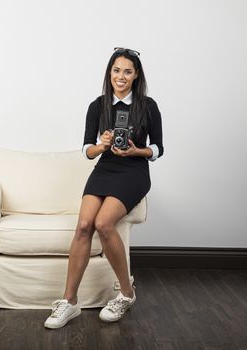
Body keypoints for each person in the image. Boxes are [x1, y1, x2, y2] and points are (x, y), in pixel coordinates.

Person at [44, 47, 164, 329]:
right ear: (109, 73)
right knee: (84, 224)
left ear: (136, 76)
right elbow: (87, 149)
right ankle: (70, 302)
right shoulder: (97, 106)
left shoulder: (148, 106)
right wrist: (103, 145)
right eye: (116, 70)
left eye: (127, 72)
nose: (120, 77)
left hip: (134, 171)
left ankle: (126, 293)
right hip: (105, 168)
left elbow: (158, 148)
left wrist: (136, 150)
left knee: (103, 223)